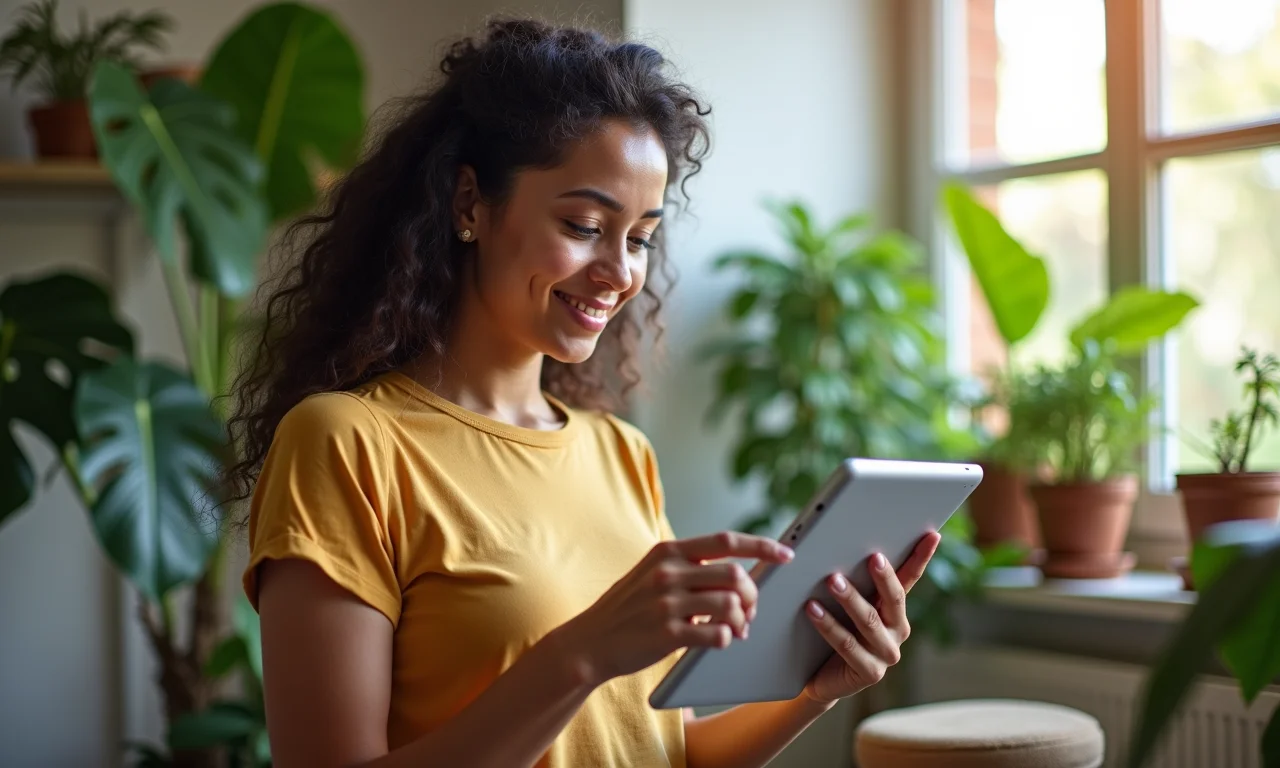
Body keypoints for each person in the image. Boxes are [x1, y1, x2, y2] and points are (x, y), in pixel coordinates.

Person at [227, 17, 940, 768]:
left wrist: (813, 690)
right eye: (584, 224)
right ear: (469, 204)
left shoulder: (618, 451)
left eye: (639, 238)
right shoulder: (345, 443)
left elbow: (669, 749)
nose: (619, 272)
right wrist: (583, 654)